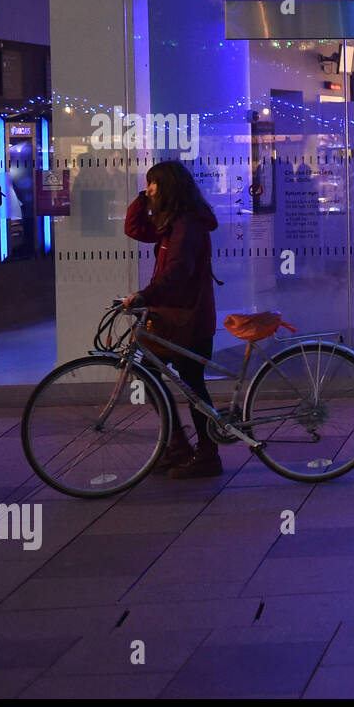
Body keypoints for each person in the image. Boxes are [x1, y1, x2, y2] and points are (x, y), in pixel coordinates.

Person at [122, 161, 222, 478]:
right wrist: (143, 197)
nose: (149, 188)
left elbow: (177, 271)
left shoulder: (187, 225)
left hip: (189, 318)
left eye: (154, 184)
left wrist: (144, 296)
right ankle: (179, 445)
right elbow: (135, 229)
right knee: (153, 374)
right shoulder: (173, 222)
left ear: (170, 188)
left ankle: (206, 455)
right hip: (174, 318)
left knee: (193, 386)